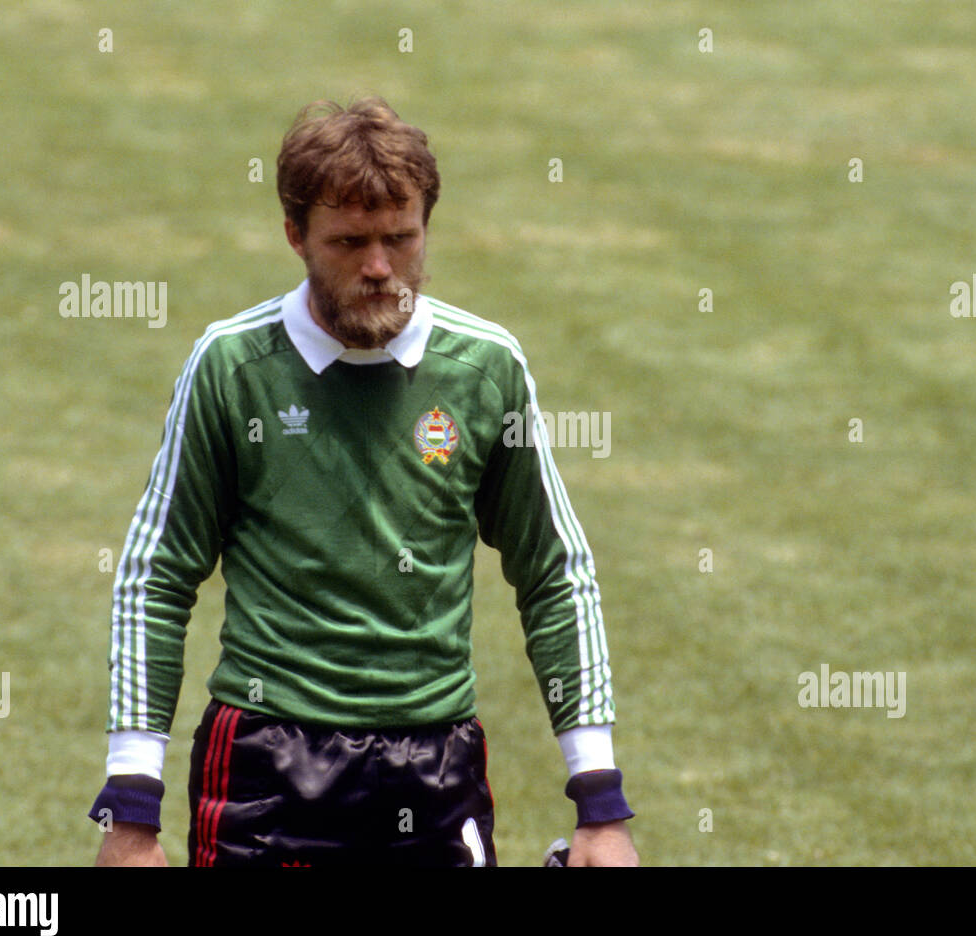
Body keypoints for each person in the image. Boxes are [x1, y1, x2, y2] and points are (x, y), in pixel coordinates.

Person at [88, 97, 638, 866]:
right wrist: (131, 808)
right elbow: (154, 577)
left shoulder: (485, 369)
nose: (379, 266)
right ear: (295, 237)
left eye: (400, 239)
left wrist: (601, 804)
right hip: (265, 763)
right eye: (349, 242)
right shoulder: (231, 368)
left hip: (435, 761)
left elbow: (556, 572)